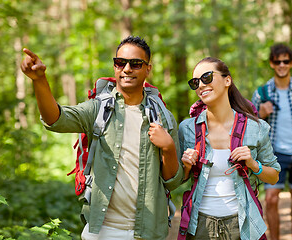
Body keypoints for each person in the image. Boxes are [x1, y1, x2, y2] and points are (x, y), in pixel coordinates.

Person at [20, 36, 183, 240]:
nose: (127, 69)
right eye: (120, 62)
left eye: (136, 64)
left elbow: (173, 181)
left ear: (148, 69)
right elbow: (56, 119)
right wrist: (40, 81)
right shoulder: (98, 109)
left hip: (147, 231)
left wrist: (168, 147)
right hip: (102, 230)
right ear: (114, 66)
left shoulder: (163, 117)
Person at [179, 57, 280, 240]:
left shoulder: (255, 127)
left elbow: (274, 176)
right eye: (195, 82)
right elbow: (179, 179)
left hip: (242, 225)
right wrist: (186, 166)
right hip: (200, 226)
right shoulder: (187, 129)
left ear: (227, 80)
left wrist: (252, 163)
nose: (201, 85)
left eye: (207, 77)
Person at [251, 43, 292, 240]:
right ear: (271, 63)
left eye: (285, 61)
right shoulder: (262, 93)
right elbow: (250, 124)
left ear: (291, 63)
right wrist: (260, 113)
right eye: (277, 61)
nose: (281, 65)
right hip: (274, 154)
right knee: (271, 199)